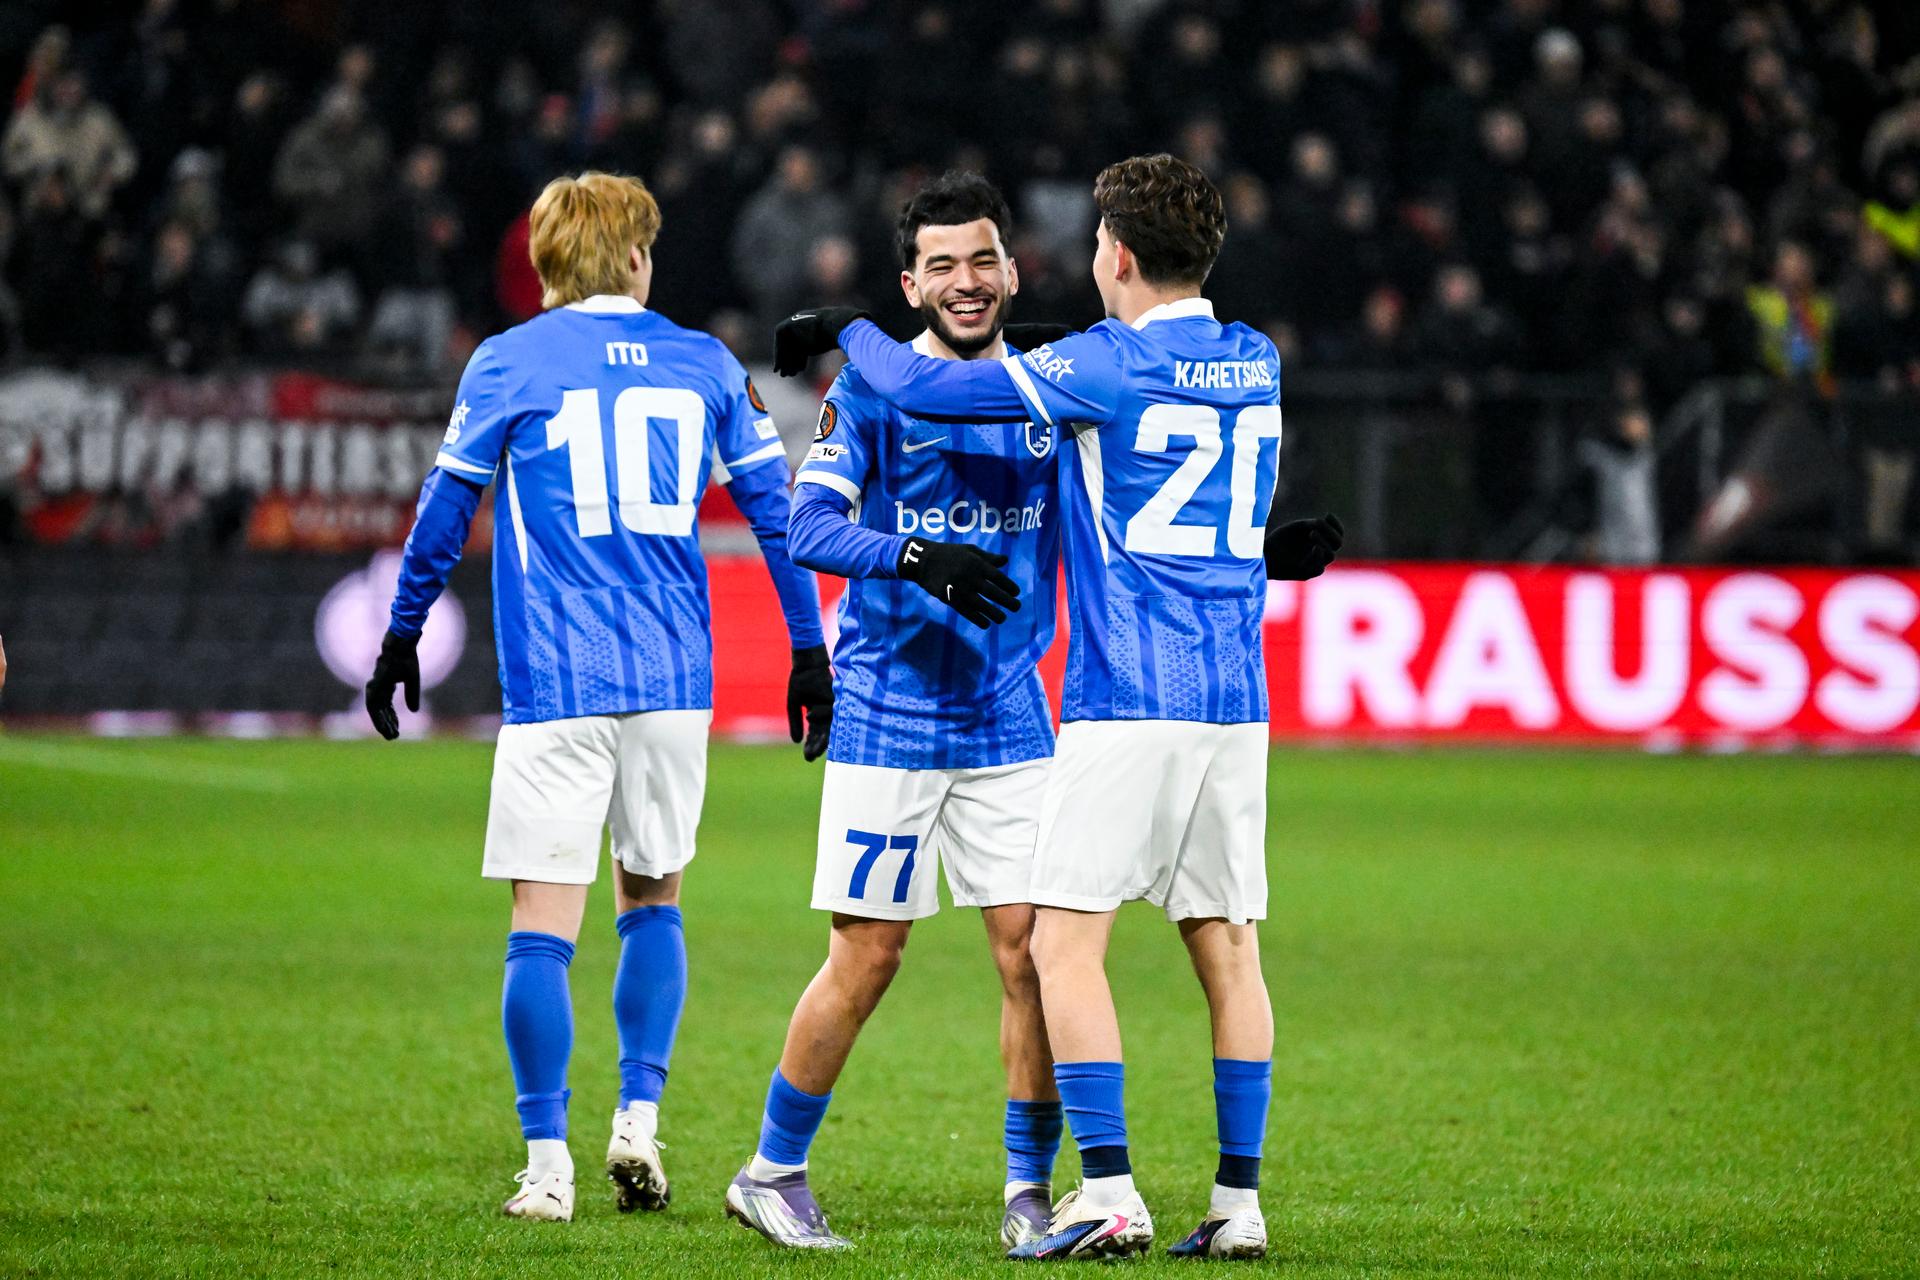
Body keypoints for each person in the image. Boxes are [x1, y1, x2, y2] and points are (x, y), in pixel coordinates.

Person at [772, 153, 1342, 1261]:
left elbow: (935, 387)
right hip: (1235, 699)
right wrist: (1261, 551)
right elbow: (1175, 509)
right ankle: (1238, 1202)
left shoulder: (1096, 363)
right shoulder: (1256, 358)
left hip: (1125, 697)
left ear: (1114, 255)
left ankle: (1108, 1188)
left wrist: (853, 330)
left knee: (1059, 951)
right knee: (1230, 947)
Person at [364, 171, 832, 1224]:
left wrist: (401, 633)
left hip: (558, 684)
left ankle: (546, 1162)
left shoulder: (508, 360)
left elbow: (446, 516)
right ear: (632, 256)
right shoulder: (705, 361)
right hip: (672, 682)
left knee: (541, 927)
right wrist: (811, 651)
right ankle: (638, 1119)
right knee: (654, 900)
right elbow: (777, 513)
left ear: (547, 263)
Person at [724, 172, 1071, 1251]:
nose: (965, 284)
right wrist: (916, 552)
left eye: (982, 261)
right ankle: (771, 1170)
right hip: (891, 711)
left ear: (1012, 271)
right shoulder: (870, 392)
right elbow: (810, 523)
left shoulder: (1059, 388)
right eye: (943, 266)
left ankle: (1026, 1193)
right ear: (909, 283)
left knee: (1032, 956)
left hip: (1012, 716)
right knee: (869, 954)